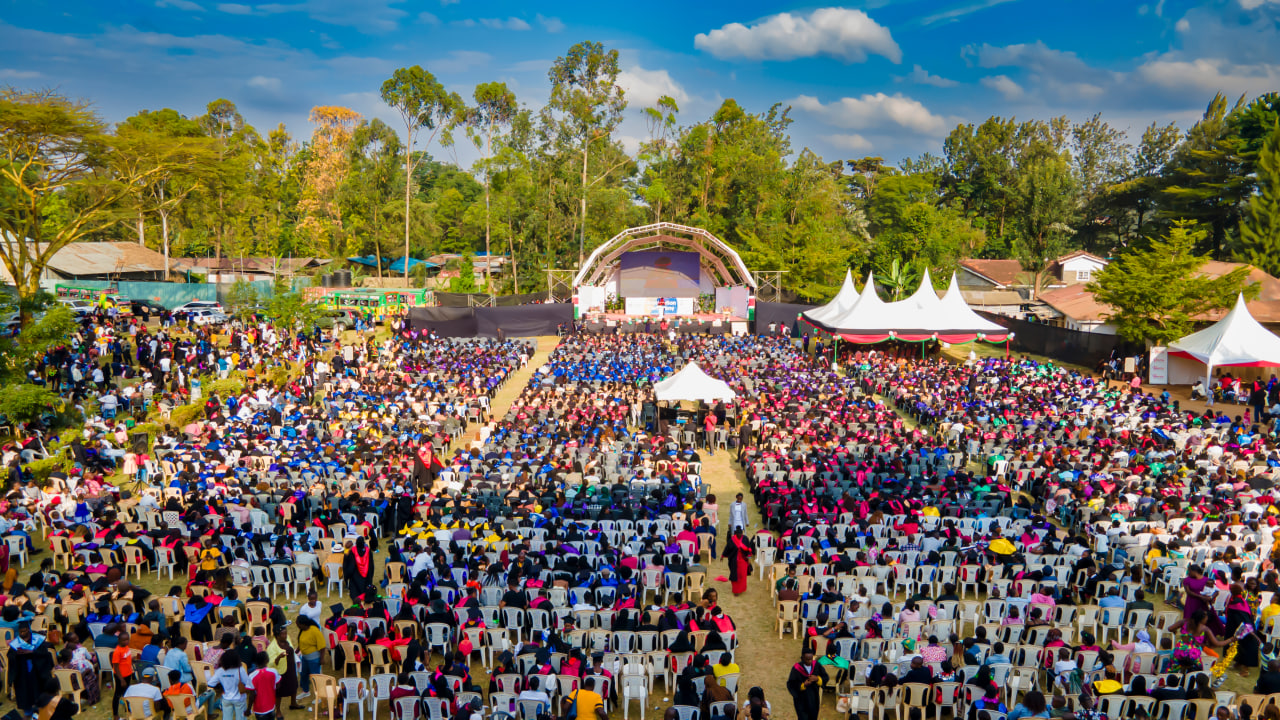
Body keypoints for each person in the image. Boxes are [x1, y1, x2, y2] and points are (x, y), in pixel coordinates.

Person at [10, 621, 54, 717]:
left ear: (29, 630)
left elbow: (45, 654)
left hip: (38, 670)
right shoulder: (16, 642)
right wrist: (16, 654)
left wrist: (32, 652)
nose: (22, 634)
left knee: (39, 689)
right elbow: (10, 656)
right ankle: (28, 711)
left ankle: (42, 708)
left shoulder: (38, 640)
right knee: (25, 690)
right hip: (23, 671)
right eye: (20, 632)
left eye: (24, 631)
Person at [208, 651, 252, 720]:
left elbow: (211, 683)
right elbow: (248, 683)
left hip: (226, 698)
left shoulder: (220, 670)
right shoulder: (240, 669)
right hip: (239, 699)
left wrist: (222, 687)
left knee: (226, 718)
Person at [786, 650, 828, 720]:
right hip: (801, 699)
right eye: (807, 659)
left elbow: (825, 677)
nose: (810, 662)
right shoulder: (797, 668)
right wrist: (803, 685)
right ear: (802, 658)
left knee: (813, 716)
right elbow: (791, 684)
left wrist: (817, 679)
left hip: (814, 697)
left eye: (811, 659)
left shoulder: (816, 665)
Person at [724, 527, 754, 596]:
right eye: (738, 534)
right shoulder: (732, 540)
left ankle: (741, 589)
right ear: (735, 534)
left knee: (742, 575)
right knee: (735, 575)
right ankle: (736, 591)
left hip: (743, 560)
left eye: (740, 534)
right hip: (734, 560)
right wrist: (723, 555)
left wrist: (749, 558)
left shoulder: (745, 539)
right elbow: (727, 548)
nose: (739, 535)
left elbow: (748, 549)